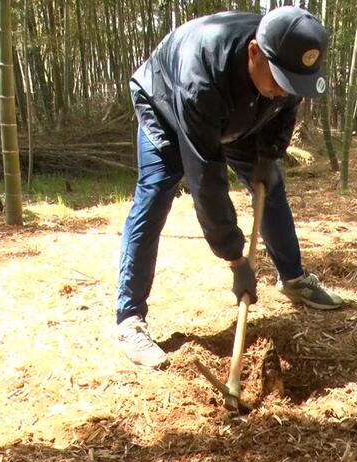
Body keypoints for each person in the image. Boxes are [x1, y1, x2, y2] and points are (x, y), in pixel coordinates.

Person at [116, 6, 344, 368]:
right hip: (167, 106)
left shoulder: (286, 59)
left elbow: (286, 107)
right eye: (280, 82)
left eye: (293, 84)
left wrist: (269, 155)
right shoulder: (200, 77)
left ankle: (293, 278)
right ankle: (129, 319)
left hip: (241, 112)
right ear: (254, 52)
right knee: (156, 195)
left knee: (270, 188)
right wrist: (236, 259)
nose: (285, 91)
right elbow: (205, 178)